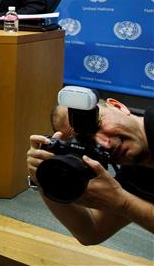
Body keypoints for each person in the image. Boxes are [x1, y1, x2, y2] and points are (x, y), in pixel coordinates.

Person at [26, 99, 154, 245]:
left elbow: (123, 205)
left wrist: (123, 203)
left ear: (119, 106)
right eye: (88, 143)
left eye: (98, 125)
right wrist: (44, 178)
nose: (104, 144)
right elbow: (92, 232)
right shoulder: (134, 171)